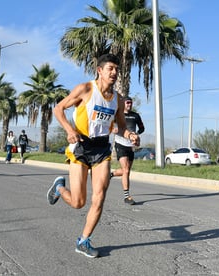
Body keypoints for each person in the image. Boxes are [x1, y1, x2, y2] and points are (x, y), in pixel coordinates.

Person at [47, 54, 140, 258]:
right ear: (100, 70)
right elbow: (58, 108)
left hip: (101, 150)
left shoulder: (118, 99)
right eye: (110, 68)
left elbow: (121, 127)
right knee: (78, 202)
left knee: (99, 198)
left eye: (117, 69)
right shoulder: (86, 89)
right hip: (80, 147)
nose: (115, 72)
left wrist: (131, 135)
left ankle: (83, 240)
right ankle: (59, 187)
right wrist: (69, 130)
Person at [111, 96, 145, 205]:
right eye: (127, 103)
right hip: (120, 144)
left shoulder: (136, 116)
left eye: (130, 103)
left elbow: (142, 128)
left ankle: (110, 175)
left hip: (131, 145)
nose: (129, 105)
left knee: (126, 171)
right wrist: (114, 130)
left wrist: (136, 134)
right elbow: (109, 126)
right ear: (123, 104)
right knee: (125, 170)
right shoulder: (117, 115)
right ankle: (127, 196)